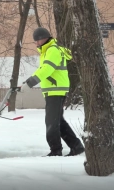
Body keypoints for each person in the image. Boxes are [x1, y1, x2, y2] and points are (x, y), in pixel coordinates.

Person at [21, 27, 85, 156]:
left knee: (51, 122)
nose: (36, 44)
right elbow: (45, 69)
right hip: (54, 90)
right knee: (58, 121)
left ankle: (56, 151)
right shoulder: (48, 50)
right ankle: (76, 146)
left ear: (42, 39)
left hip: (56, 90)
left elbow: (46, 69)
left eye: (36, 41)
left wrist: (30, 82)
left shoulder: (52, 50)